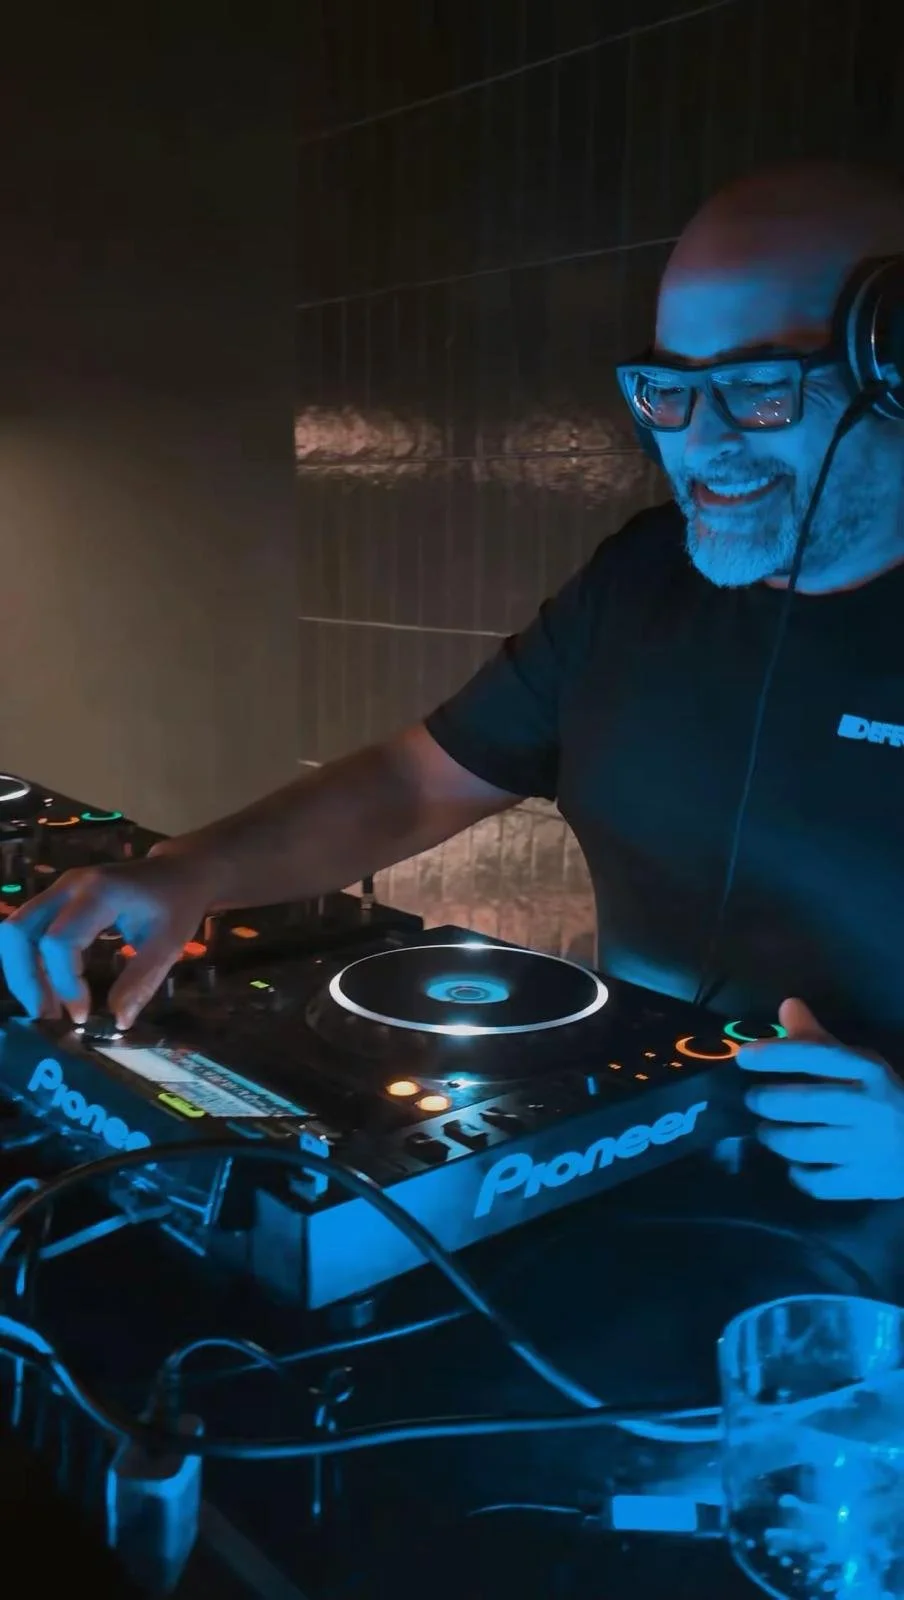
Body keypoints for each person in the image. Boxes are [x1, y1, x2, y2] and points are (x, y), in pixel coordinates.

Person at [4, 159, 904, 1203]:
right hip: (634, 1176)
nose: (697, 443)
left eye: (757, 390)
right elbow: (419, 780)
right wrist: (189, 872)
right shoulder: (642, 576)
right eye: (669, 389)